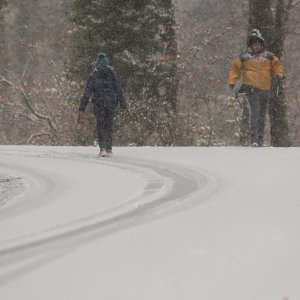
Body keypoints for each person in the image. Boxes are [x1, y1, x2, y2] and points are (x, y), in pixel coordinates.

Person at [228, 29, 284, 147]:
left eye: (258, 44)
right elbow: (235, 68)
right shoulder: (244, 56)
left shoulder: (269, 56)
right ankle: (254, 138)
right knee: (255, 112)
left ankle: (260, 139)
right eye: (254, 44)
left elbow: (277, 65)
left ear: (262, 44)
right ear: (250, 45)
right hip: (250, 88)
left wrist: (279, 74)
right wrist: (232, 81)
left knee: (262, 114)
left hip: (265, 89)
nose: (256, 46)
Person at [78, 53, 127, 157]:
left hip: (99, 103)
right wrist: (123, 104)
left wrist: (82, 107)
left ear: (97, 63)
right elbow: (118, 89)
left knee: (100, 125)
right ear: (106, 63)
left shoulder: (93, 75)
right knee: (109, 125)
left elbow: (87, 92)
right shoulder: (112, 74)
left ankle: (103, 148)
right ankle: (109, 149)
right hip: (111, 103)